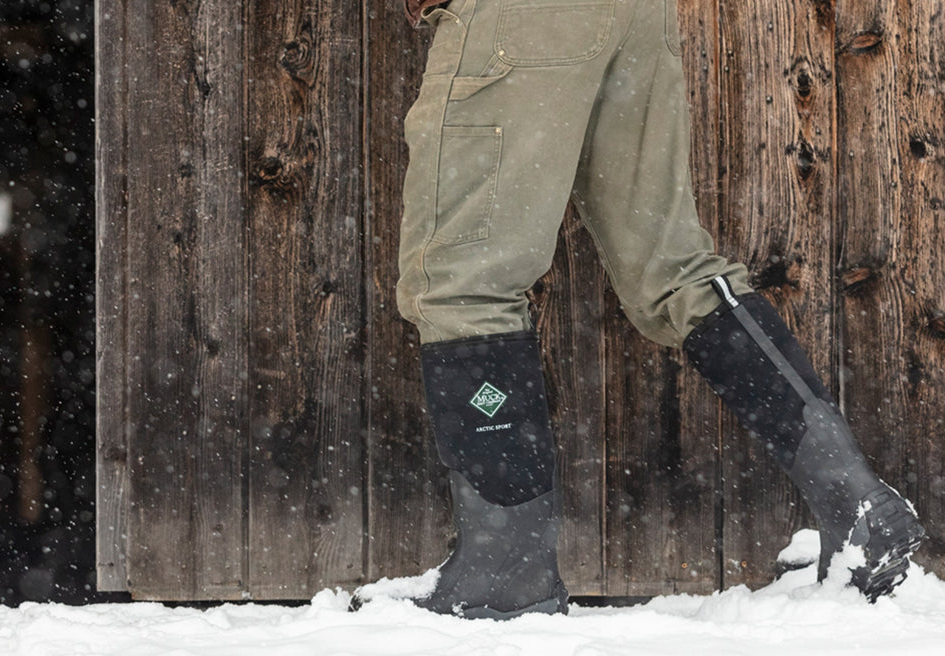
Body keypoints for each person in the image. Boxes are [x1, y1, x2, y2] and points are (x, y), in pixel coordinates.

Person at [383, 0, 926, 619]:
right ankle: (854, 502)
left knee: (462, 286)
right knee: (674, 272)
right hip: (638, 17)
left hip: (522, 22)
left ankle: (506, 568)